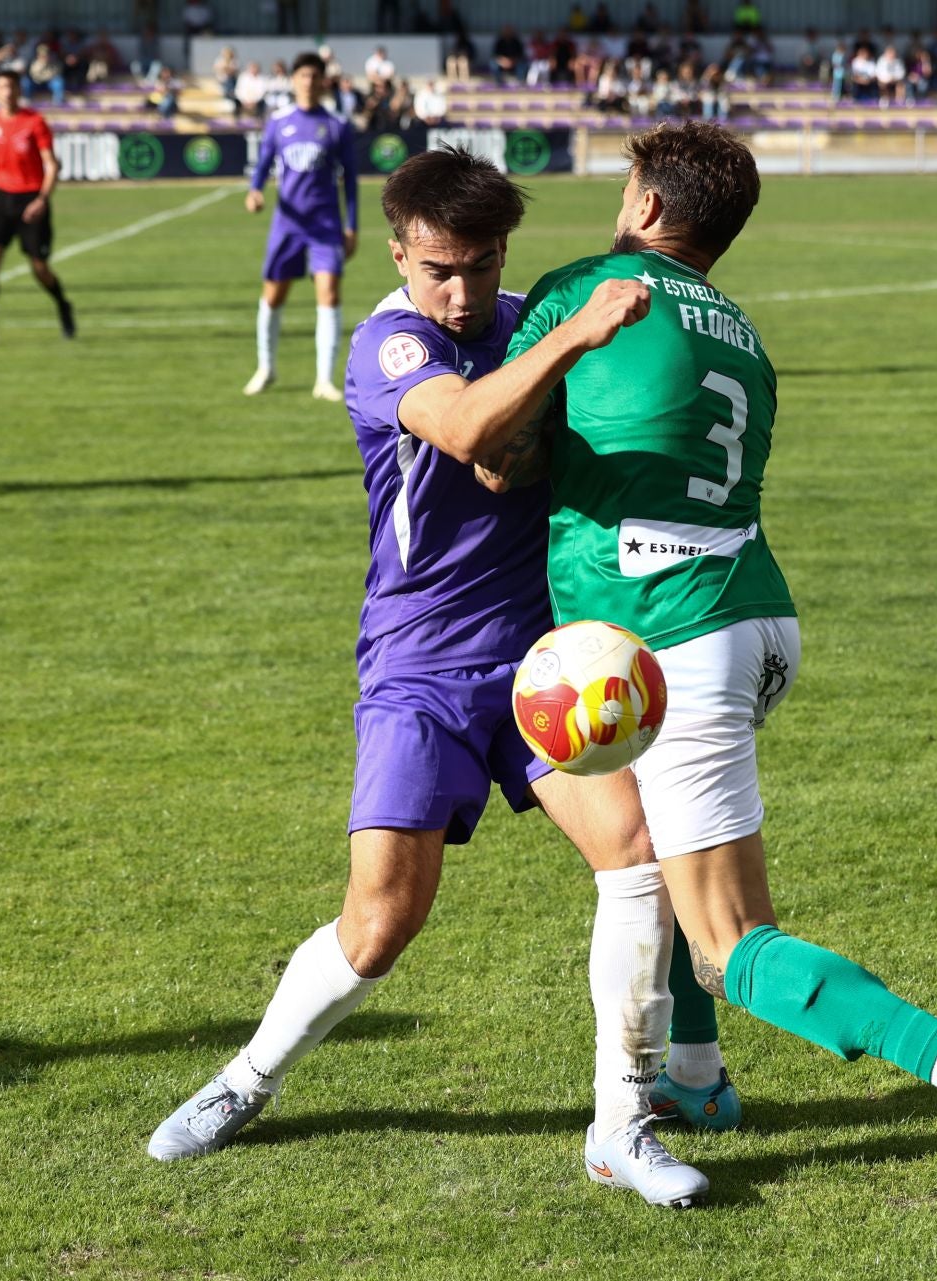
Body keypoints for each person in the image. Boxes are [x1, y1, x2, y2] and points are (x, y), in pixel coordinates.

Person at [395, 121, 937, 1252]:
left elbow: (496, 452)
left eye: (625, 186)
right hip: (757, 615)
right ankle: (696, 1080)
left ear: (651, 210)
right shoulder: (742, 332)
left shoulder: (593, 286)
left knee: (728, 939)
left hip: (672, 631)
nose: (617, 201)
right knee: (653, 840)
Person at [147, 148, 736, 1207]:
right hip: (418, 665)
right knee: (381, 925)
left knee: (635, 854)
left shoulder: (522, 319)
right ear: (398, 255)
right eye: (438, 270)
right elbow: (462, 426)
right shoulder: (388, 340)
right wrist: (570, 341)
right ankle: (247, 1079)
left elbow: (561, 440)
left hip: (545, 663)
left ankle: (623, 1124)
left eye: (479, 266)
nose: (461, 294)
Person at [243, 54, 358, 400]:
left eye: (314, 75)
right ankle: (266, 367)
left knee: (329, 294)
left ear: (324, 81)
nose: (308, 81)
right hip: (287, 226)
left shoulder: (337, 124)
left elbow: (350, 180)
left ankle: (324, 380)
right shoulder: (278, 122)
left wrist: (351, 226)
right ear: (293, 80)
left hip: (325, 226)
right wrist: (255, 191)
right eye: (302, 75)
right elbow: (263, 164)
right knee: (273, 297)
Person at [0, 70, 73, 347]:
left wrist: (42, 199)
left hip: (31, 201)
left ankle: (63, 305)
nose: (7, 92)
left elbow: (52, 164)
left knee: (39, 268)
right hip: (1, 200)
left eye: (12, 86)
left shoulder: (35, 122)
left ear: (18, 90)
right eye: (2, 86)